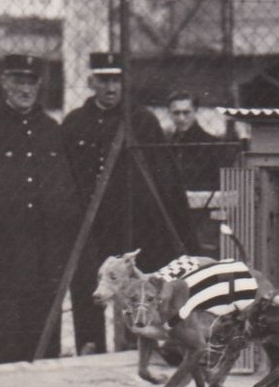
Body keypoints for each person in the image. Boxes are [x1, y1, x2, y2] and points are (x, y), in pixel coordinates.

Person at [61, 52, 194, 354]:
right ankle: (89, 347)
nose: (110, 87)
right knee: (89, 287)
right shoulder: (74, 123)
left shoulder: (143, 120)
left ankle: (140, 347)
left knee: (138, 290)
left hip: (134, 223)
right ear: (90, 81)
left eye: (116, 80)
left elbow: (166, 177)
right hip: (91, 225)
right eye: (104, 80)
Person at [0, 54, 81, 364]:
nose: (24, 89)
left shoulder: (51, 129)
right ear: (4, 83)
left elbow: (66, 188)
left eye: (30, 82)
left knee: (43, 334)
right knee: (2, 331)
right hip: (2, 250)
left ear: (39, 86)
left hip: (45, 250)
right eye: (17, 81)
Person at [165, 90, 232, 192]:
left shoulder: (212, 144)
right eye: (176, 113)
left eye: (186, 112)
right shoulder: (167, 144)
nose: (181, 118)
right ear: (169, 113)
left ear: (195, 111)